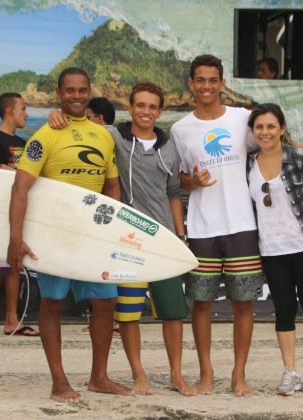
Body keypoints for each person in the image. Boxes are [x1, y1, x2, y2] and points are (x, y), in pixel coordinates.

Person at [170, 54, 303, 397]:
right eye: (201, 80)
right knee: (202, 304)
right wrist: (192, 181)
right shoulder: (180, 129)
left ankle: (238, 376)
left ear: (222, 83)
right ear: (191, 84)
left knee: (244, 304)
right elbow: (179, 178)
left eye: (214, 80)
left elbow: (275, 142)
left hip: (243, 226)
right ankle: (206, 374)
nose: (207, 86)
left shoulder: (243, 119)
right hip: (202, 228)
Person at [50, 84, 196, 396]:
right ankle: (138, 374)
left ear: (159, 111)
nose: (146, 111)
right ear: (130, 108)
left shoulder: (170, 146)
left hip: (163, 240)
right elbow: (81, 127)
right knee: (128, 314)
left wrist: (180, 235)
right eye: (140, 105)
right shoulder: (112, 137)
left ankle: (176, 375)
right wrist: (55, 116)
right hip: (125, 241)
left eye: (153, 107)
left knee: (173, 312)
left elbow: (174, 192)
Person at [7, 68, 131, 402]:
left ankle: (99, 377)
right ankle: (59, 382)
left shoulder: (103, 135)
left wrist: (110, 229)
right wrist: (15, 237)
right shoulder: (44, 135)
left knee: (106, 302)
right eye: (70, 91)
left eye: (82, 90)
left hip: (91, 235)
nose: (76, 96)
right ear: (59, 94)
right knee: (53, 304)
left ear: (89, 92)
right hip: (55, 234)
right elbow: (20, 188)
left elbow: (112, 186)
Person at [247, 103, 303, 396]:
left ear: (282, 129)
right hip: (272, 249)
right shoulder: (249, 163)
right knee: (282, 310)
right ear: (253, 131)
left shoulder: (299, 158)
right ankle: (290, 371)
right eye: (259, 127)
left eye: (271, 126)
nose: (265, 132)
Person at [0, 92, 38, 341]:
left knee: (15, 265)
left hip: (18, 210)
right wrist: (13, 170)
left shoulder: (24, 144)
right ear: (9, 110)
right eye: (23, 108)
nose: (27, 113)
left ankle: (12, 320)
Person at [79, 97, 120, 339]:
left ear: (100, 119)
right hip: (103, 211)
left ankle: (109, 321)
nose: (85, 121)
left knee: (104, 270)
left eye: (88, 116)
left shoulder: (108, 133)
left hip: (106, 212)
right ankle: (101, 319)